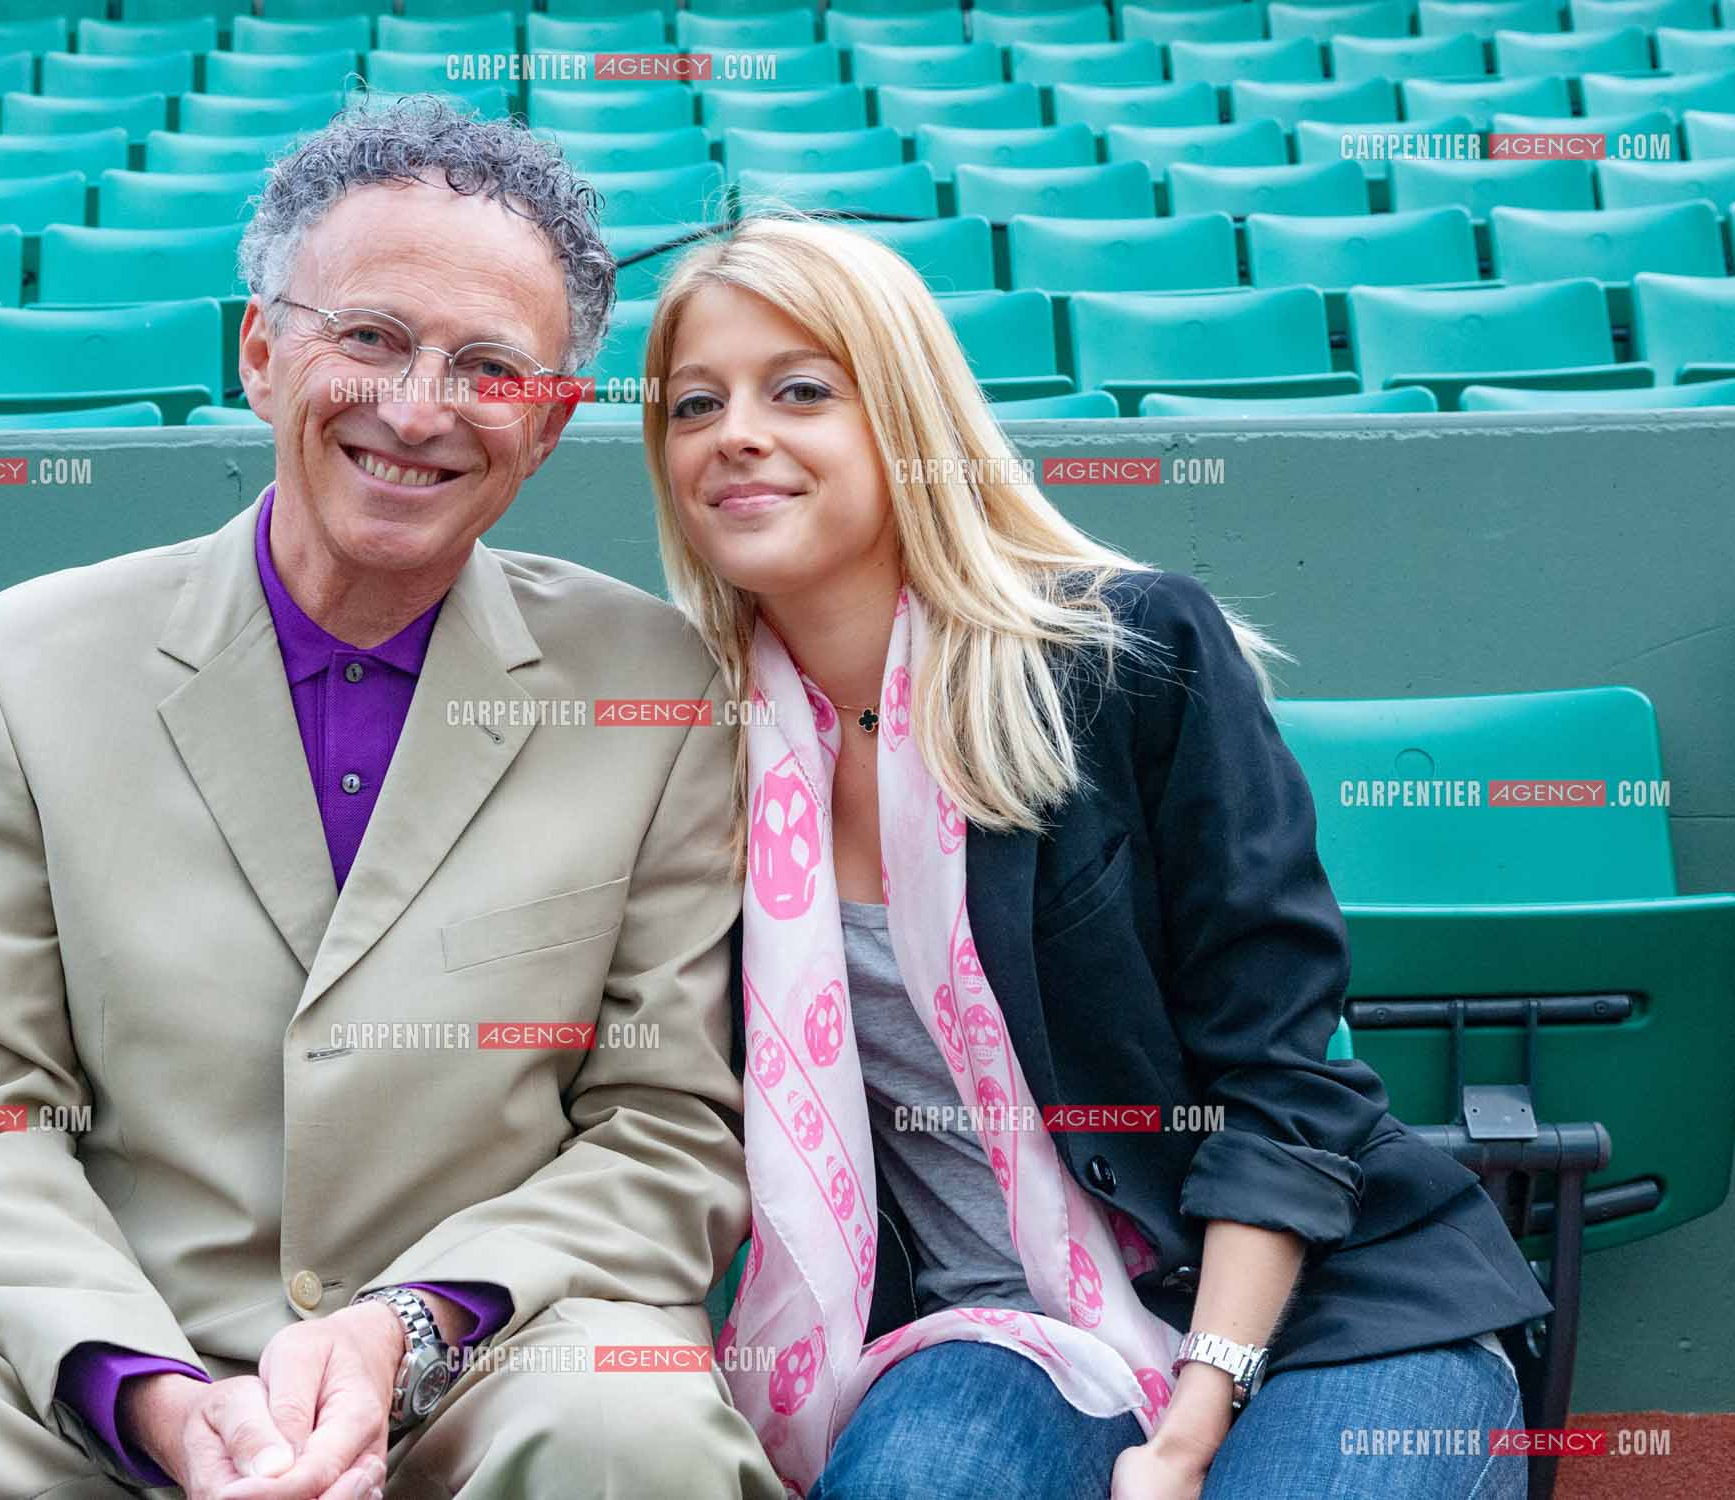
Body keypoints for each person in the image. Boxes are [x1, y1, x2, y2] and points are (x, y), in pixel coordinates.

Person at [0, 99, 777, 1500]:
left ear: (543, 429)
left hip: (487, 1360)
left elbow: (665, 1128)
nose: (418, 409)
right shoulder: (19, 665)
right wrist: (156, 1398)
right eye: (368, 337)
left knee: (636, 1429)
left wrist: (404, 1331)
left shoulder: (653, 687)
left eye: (489, 368)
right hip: (95, 1362)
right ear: (259, 350)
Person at [640, 215, 1552, 1500]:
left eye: (800, 389)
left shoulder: (1128, 657)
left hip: (1318, 1309)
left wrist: (1185, 1435)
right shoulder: (683, 747)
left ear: (905, 415)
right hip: (995, 1330)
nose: (735, 431)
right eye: (693, 403)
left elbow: (1283, 1085)